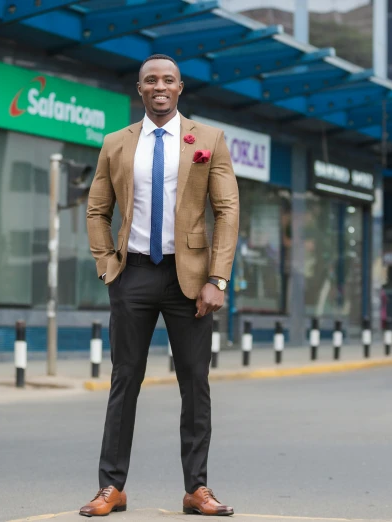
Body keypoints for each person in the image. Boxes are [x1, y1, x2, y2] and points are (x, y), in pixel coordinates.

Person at [81, 54, 239, 517]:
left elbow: (227, 211)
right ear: (140, 89)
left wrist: (217, 278)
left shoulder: (208, 139)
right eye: (151, 80)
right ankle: (112, 488)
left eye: (168, 79)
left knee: (195, 383)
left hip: (189, 280)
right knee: (124, 381)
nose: (159, 86)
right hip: (132, 274)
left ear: (180, 88)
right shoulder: (115, 143)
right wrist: (106, 262)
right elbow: (96, 210)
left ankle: (197, 489)